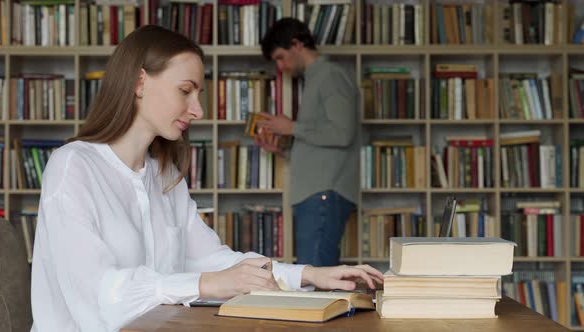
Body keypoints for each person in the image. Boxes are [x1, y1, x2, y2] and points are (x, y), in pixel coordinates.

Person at [30, 25, 382, 332]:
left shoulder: (165, 175)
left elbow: (214, 260)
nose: (198, 110)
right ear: (139, 82)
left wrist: (309, 275)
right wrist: (208, 284)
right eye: (185, 91)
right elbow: (98, 295)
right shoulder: (73, 167)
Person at [256, 18, 360, 267]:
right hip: (317, 194)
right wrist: (281, 149)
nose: (281, 67)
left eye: (281, 57)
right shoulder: (316, 79)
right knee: (315, 277)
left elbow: (343, 133)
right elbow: (320, 147)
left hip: (323, 195)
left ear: (297, 44)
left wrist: (291, 127)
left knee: (315, 280)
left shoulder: (330, 76)